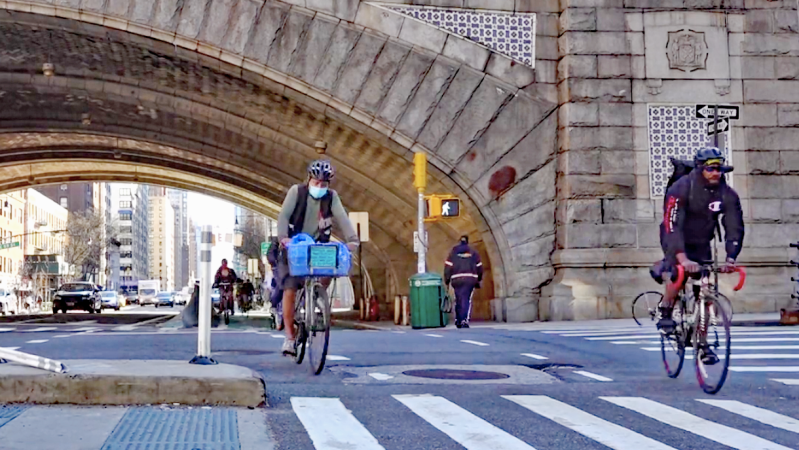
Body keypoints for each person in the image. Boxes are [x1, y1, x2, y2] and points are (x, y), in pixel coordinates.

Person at [657, 147, 744, 365]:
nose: (716, 173)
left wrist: (731, 257)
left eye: (719, 169)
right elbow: (671, 224)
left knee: (705, 287)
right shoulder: (681, 187)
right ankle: (665, 310)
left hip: (702, 240)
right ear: (699, 168)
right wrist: (682, 258)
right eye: (710, 169)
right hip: (675, 236)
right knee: (679, 272)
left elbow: (734, 226)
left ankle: (702, 343)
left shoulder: (727, 194)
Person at [277, 160, 359, 355]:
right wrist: (283, 238)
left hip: (317, 246)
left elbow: (342, 218)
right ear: (309, 180)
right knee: (290, 288)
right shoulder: (297, 192)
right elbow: (284, 216)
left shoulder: (331, 197)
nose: (320, 187)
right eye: (316, 183)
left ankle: (315, 297)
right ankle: (289, 338)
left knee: (329, 269)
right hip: (295, 246)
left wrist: (353, 240)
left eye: (324, 184)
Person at [444, 235, 483, 329]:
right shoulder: (474, 253)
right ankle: (464, 319)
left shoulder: (453, 253)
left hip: (457, 279)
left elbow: (448, 267)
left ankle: (458, 319)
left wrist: (447, 280)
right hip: (470, 279)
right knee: (466, 299)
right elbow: (479, 267)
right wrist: (478, 279)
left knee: (458, 298)